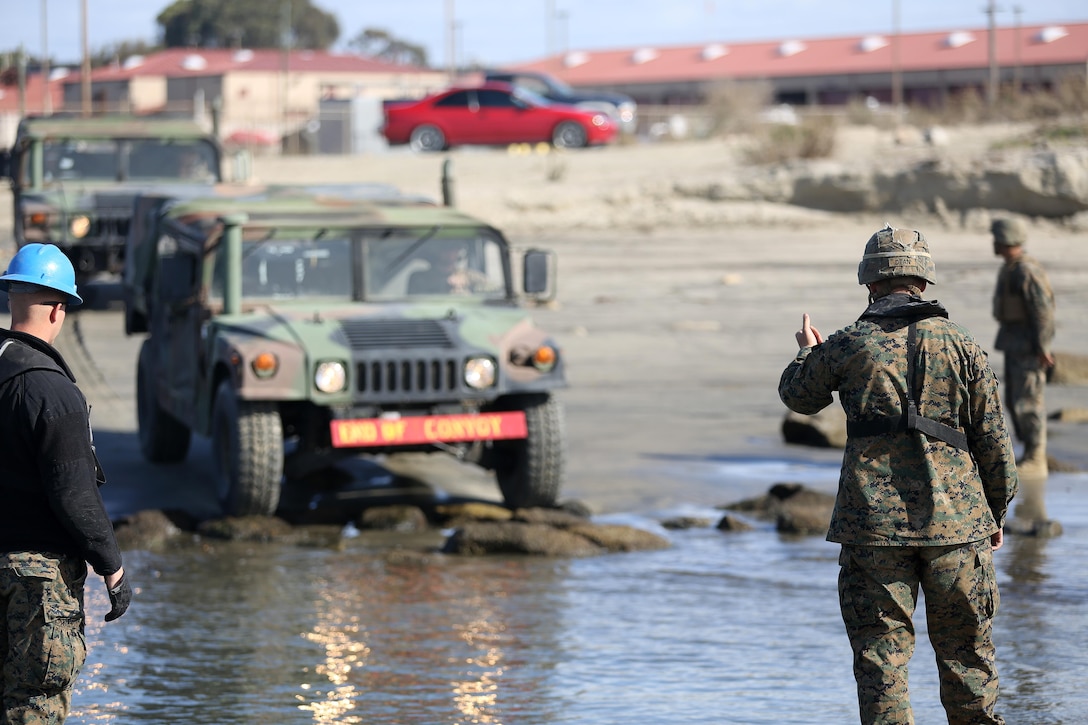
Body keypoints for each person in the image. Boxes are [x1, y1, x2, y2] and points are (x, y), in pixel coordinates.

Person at [778, 225, 1018, 724]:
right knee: (969, 662)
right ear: (924, 281)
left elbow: (799, 397)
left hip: (873, 530)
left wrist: (807, 349)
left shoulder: (848, 345)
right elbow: (995, 445)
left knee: (881, 664)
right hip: (958, 529)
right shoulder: (962, 345)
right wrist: (995, 513)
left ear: (869, 280)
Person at [0, 244, 131, 723]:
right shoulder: (52, 390)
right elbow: (74, 494)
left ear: (12, 296)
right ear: (59, 309)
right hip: (35, 580)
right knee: (34, 702)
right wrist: (112, 567)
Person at [991, 217, 1055, 477]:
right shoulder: (1011, 267)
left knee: (1029, 401)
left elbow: (1042, 312)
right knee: (1015, 400)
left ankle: (1037, 457)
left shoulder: (1025, 271)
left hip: (1028, 346)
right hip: (1014, 342)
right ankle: (1029, 452)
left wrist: (1043, 347)